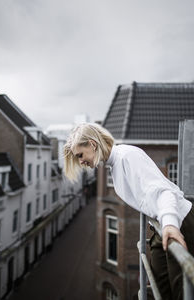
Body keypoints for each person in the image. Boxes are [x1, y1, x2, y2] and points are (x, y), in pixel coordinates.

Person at [63, 122, 194, 300]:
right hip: (160, 226)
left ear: (92, 144)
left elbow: (164, 193)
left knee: (181, 290)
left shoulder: (127, 157)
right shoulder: (115, 165)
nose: (81, 161)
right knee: (160, 287)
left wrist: (170, 223)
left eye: (80, 155)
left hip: (180, 222)